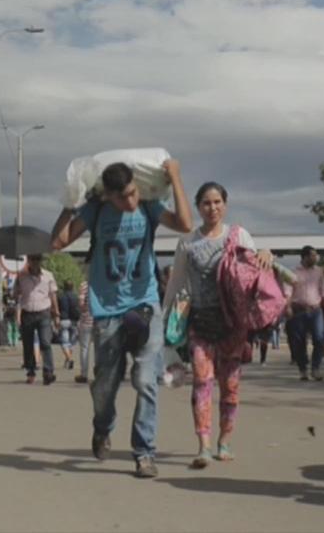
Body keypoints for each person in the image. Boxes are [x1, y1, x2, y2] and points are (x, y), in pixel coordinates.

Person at [51, 158, 192, 478]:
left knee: (145, 380)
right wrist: (71, 205)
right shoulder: (97, 211)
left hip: (145, 305)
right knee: (104, 386)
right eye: (123, 196)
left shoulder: (148, 207)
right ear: (108, 196)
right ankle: (102, 427)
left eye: (132, 192)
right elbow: (58, 242)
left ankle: (144, 453)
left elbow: (184, 224)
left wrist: (176, 176)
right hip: (107, 312)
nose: (130, 201)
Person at [163, 182, 272, 469]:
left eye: (217, 202)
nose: (212, 208)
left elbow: (255, 268)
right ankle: (204, 446)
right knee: (201, 381)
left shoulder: (239, 236)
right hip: (200, 322)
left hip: (233, 325)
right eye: (206, 203)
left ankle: (224, 442)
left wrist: (267, 253)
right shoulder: (188, 241)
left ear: (225, 204)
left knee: (230, 386)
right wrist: (163, 322)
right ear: (198, 207)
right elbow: (176, 283)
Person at [286, 246, 324, 381]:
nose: (315, 258)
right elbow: (288, 292)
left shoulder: (319, 272)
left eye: (316, 255)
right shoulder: (293, 272)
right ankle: (303, 369)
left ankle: (316, 368)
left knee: (320, 338)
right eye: (313, 255)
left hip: (316, 310)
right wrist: (287, 307)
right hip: (299, 311)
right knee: (299, 342)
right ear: (305, 257)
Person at [15, 254, 60, 385]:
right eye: (33, 259)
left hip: (44, 312)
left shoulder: (48, 275)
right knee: (28, 344)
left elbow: (53, 295)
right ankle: (30, 371)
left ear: (41, 261)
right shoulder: (21, 276)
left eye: (37, 259)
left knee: (45, 342)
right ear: (28, 260)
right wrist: (16, 287)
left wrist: (56, 314)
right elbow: (15, 294)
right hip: (27, 312)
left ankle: (48, 372)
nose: (35, 262)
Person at [58, 280, 81, 370]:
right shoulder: (76, 297)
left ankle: (69, 358)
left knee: (64, 342)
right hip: (74, 321)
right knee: (72, 342)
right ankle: (68, 359)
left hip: (64, 320)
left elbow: (58, 308)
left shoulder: (61, 297)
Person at [75, 280, 95, 384]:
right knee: (99, 348)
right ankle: (99, 372)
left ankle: (84, 374)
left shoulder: (84, 285)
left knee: (85, 348)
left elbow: (81, 303)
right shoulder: (102, 283)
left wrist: (85, 310)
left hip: (86, 321)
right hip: (100, 320)